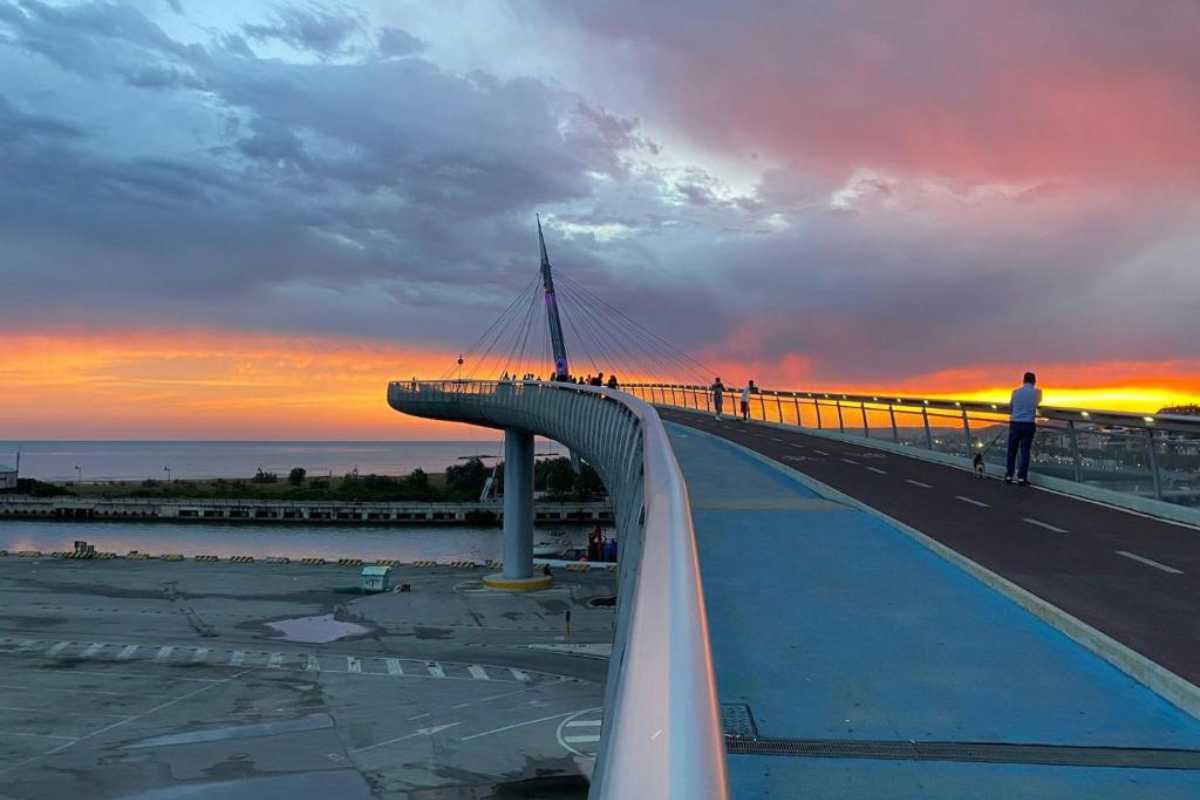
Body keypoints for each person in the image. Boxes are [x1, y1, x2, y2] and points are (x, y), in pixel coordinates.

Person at [1005, 371, 1042, 486]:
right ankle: (1022, 477)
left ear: (1023, 380)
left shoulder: (1015, 392)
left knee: (1012, 451)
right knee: (1025, 451)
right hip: (1028, 424)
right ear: (1034, 381)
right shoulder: (1037, 392)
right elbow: (1037, 403)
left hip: (1015, 423)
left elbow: (1011, 407)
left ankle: (1009, 475)